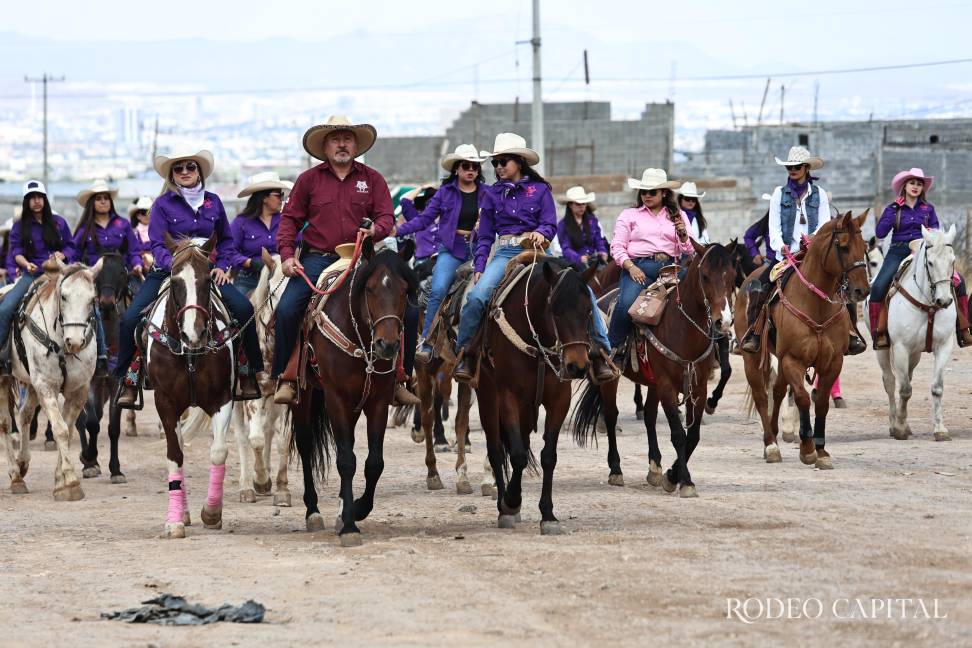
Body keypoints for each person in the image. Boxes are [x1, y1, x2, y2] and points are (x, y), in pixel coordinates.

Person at [271, 115, 418, 406]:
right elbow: (289, 220)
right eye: (335, 139)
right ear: (325, 146)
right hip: (318, 258)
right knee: (287, 308)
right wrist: (287, 256)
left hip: (363, 257)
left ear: (356, 145)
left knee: (409, 311)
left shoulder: (372, 179)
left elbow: (386, 216)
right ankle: (285, 377)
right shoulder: (308, 180)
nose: (342, 144)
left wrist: (376, 229)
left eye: (347, 139)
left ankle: (401, 377)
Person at [452, 133, 614, 384]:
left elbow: (549, 223)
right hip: (505, 253)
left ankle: (600, 353)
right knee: (476, 297)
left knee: (584, 293)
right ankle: (467, 354)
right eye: (495, 163)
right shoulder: (491, 195)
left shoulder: (540, 190)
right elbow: (484, 237)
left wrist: (540, 232)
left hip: (541, 253)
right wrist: (480, 266)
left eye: (503, 161)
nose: (498, 167)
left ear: (519, 161)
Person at [114, 150, 264, 406]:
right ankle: (128, 379)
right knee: (130, 319)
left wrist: (223, 266)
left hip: (207, 270)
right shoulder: (162, 205)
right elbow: (158, 243)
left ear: (199, 172)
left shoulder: (214, 202)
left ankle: (248, 373)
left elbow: (226, 240)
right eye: (179, 168)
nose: (184, 172)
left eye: (190, 167)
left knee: (244, 308)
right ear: (172, 175)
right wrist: (173, 264)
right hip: (170, 268)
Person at [740, 146, 866, 354]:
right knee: (759, 288)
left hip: (814, 254)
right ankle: (754, 332)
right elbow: (774, 227)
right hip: (785, 256)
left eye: (797, 166)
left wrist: (813, 241)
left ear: (806, 168)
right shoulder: (778, 194)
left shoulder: (820, 194)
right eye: (789, 166)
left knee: (841, 285)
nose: (792, 169)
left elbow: (825, 225)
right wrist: (781, 246)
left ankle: (850, 332)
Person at [394, 144, 486, 365]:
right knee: (438, 289)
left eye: (474, 166)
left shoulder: (487, 192)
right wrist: (398, 230)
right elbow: (424, 219)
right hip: (452, 249)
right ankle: (427, 342)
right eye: (466, 166)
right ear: (456, 169)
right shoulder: (445, 193)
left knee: (494, 291)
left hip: (481, 248)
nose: (470, 170)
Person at [870, 167, 972, 348]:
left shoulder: (928, 209)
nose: (916, 187)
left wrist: (930, 240)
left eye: (919, 184)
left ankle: (964, 329)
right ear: (905, 185)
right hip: (898, 250)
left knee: (959, 282)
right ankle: (879, 333)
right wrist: (894, 210)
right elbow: (880, 232)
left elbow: (935, 230)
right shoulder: (893, 208)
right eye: (912, 183)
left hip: (925, 250)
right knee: (878, 286)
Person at [606, 168, 695, 353]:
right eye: (643, 191)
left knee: (699, 292)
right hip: (639, 267)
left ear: (663, 193)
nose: (647, 195)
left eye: (652, 192)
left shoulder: (678, 216)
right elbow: (617, 247)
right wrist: (630, 267)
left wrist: (683, 235)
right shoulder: (629, 215)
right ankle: (613, 349)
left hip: (671, 268)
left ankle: (712, 344)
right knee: (626, 304)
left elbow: (690, 250)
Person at [0, 180, 77, 374]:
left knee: (90, 304)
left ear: (44, 199)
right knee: (6, 308)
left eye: (39, 197)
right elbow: (15, 251)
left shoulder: (59, 222)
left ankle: (100, 354)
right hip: (32, 274)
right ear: (26, 202)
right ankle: (2, 355)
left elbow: (71, 245)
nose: (36, 201)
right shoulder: (19, 226)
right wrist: (26, 263)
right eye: (32, 198)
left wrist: (62, 255)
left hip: (58, 273)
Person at [74, 179, 144, 376]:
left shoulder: (122, 224)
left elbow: (133, 250)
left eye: (106, 198)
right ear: (92, 203)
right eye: (99, 199)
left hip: (120, 277)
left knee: (142, 306)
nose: (103, 202)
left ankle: (141, 354)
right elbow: (74, 254)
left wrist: (137, 263)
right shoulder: (84, 228)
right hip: (92, 277)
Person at [232, 172, 289, 296]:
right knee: (242, 310)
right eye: (278, 195)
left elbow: (298, 245)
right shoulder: (241, 222)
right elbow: (230, 251)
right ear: (264, 198)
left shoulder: (287, 220)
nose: (281, 199)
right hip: (249, 279)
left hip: (281, 278)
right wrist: (250, 262)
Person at [556, 185, 609, 267]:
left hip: (593, 260)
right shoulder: (563, 225)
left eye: (584, 204)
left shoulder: (592, 221)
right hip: (573, 263)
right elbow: (566, 248)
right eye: (578, 204)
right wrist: (579, 258)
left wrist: (602, 251)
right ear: (570, 205)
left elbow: (598, 240)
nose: (582, 207)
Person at [397, 183, 440, 280]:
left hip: (443, 261)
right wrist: (420, 188)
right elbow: (405, 202)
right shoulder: (418, 220)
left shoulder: (450, 220)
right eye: (430, 202)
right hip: (422, 264)